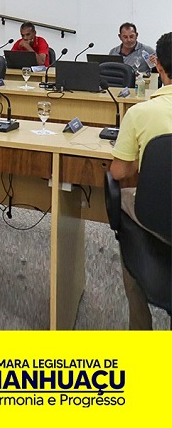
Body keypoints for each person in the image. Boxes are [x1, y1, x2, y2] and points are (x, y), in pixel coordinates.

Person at [109, 32, 172, 329]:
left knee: (123, 198)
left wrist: (142, 158)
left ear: (158, 66)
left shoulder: (140, 113)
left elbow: (118, 172)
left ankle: (140, 327)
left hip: (158, 218)